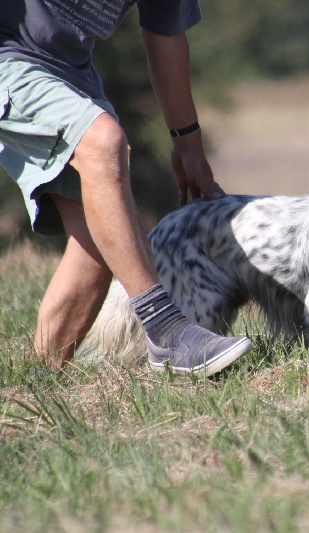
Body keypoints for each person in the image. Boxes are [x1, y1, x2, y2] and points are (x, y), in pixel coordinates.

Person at [0, 1, 253, 376]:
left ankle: (35, 384)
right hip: (8, 52)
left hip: (68, 70)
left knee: (103, 238)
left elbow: (165, 34)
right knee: (104, 142)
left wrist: (187, 144)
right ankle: (167, 333)